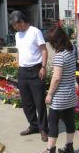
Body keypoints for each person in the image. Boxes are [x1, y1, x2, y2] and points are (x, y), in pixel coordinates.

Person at [35, 26, 77, 153]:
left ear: (56, 41)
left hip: (60, 96)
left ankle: (50, 151)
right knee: (69, 121)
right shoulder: (71, 52)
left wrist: (50, 94)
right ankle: (69, 147)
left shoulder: (59, 56)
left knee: (53, 123)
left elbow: (56, 78)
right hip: (71, 95)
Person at [9, 10, 49, 141]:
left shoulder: (35, 31)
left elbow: (44, 50)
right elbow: (20, 51)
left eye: (15, 25)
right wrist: (18, 63)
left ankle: (44, 129)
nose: (14, 28)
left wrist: (43, 67)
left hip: (36, 70)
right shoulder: (17, 35)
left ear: (21, 22)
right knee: (27, 103)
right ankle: (34, 125)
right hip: (23, 71)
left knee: (39, 102)